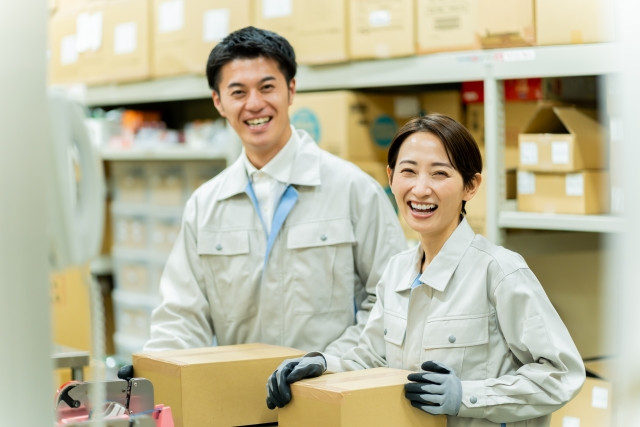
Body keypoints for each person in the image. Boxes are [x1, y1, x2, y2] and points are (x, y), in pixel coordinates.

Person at [266, 114, 586, 426]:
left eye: (439, 174)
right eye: (408, 171)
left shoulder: (499, 272)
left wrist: (468, 395)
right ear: (391, 179)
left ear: (470, 186)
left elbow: (561, 374)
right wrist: (320, 363)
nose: (420, 190)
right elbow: (372, 359)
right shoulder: (396, 271)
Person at [134, 26, 406, 359]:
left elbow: (391, 298)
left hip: (330, 394)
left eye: (267, 87)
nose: (254, 104)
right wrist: (155, 369)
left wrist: (328, 364)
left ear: (291, 90)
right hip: (237, 401)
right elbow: (181, 315)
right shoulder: (205, 206)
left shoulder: (353, 189)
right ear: (218, 102)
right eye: (238, 92)